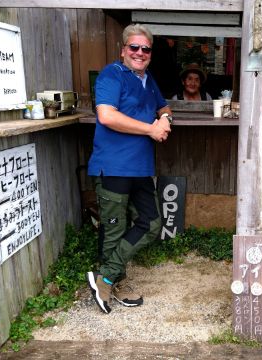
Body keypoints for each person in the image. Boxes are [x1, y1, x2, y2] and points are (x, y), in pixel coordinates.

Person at [87, 24, 172, 314]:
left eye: (145, 49)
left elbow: (163, 107)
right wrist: (151, 129)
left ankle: (106, 276)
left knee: (151, 224)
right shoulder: (112, 75)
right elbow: (107, 116)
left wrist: (165, 121)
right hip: (113, 166)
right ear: (123, 50)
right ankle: (112, 281)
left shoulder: (148, 80)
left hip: (140, 168)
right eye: (133, 47)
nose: (139, 53)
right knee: (114, 230)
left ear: (150, 53)